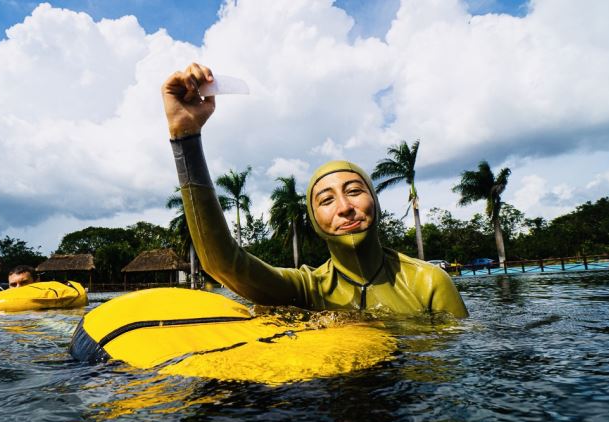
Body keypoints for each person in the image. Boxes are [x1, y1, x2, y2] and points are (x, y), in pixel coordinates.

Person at [161, 63, 468, 318]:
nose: (345, 206)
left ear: (375, 202)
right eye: (326, 199)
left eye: (354, 191)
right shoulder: (308, 289)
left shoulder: (429, 282)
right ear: (314, 218)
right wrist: (185, 137)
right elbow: (224, 264)